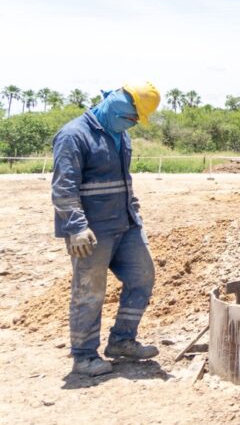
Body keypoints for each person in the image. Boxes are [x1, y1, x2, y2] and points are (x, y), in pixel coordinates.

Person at [51, 83, 161, 376]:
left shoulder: (122, 137)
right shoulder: (74, 135)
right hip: (90, 232)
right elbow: (64, 187)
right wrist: (75, 227)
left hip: (125, 226)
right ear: (118, 104)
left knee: (143, 277)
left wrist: (134, 213)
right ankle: (84, 356)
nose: (135, 123)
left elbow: (125, 181)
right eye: (133, 116)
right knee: (90, 290)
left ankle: (122, 341)